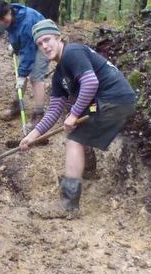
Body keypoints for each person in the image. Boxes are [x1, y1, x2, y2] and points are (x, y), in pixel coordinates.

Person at [20, 19, 137, 216]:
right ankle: (87, 170)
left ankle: (68, 205)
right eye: (39, 44)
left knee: (74, 140)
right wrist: (32, 136)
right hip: (106, 101)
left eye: (47, 40)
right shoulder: (59, 74)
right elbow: (54, 109)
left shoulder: (72, 52)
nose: (44, 46)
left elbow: (90, 83)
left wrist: (74, 115)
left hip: (115, 100)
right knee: (76, 118)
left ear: (58, 38)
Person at [0, 0, 49, 126]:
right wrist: (14, 46)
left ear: (9, 11)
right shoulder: (11, 18)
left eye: (3, 19)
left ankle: (39, 115)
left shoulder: (27, 21)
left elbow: (28, 51)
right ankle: (16, 105)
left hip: (45, 43)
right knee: (21, 72)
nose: (1, 23)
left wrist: (22, 74)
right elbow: (16, 34)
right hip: (29, 44)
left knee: (35, 77)